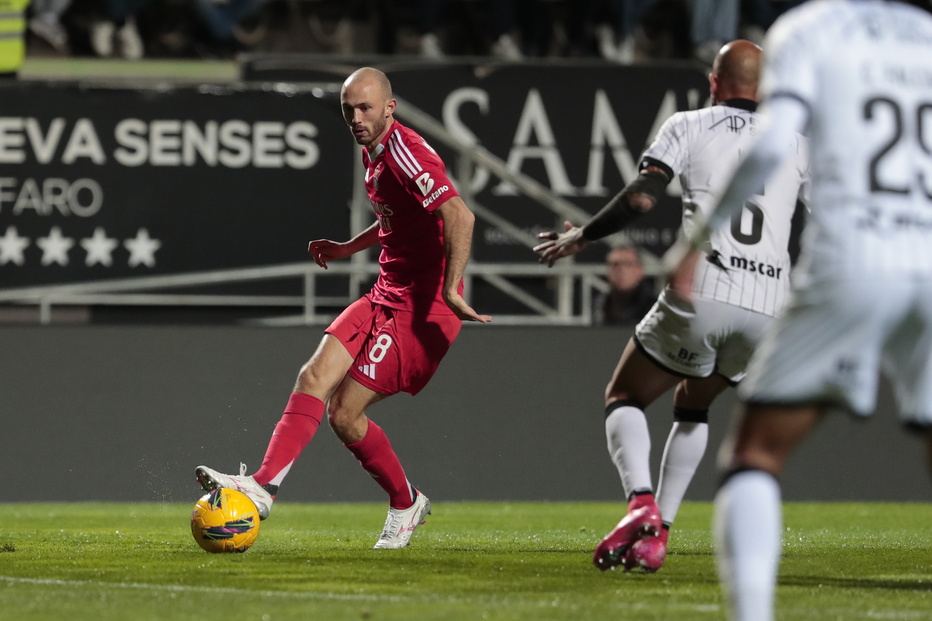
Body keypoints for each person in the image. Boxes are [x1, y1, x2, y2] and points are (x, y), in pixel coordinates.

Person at [665, 2, 932, 619]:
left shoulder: (808, 29)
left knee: (756, 453)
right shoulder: (922, 33)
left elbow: (768, 146)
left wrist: (694, 240)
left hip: (856, 251)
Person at [534, 39, 808, 572]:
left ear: (713, 81)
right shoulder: (796, 143)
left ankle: (641, 503)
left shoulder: (688, 123)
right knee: (693, 404)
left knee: (625, 395)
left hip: (703, 288)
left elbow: (640, 197)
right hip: (769, 307)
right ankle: (659, 536)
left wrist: (583, 236)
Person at [196, 67, 491, 550]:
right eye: (347, 109)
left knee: (343, 414)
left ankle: (405, 502)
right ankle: (263, 488)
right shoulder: (373, 150)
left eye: (365, 108)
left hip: (423, 310)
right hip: (385, 291)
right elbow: (399, 219)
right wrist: (347, 248)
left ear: (390, 107)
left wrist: (454, 288)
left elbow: (459, 214)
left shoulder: (404, 151)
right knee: (313, 376)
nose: (356, 118)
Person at [593, 246, 656, 325]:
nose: (621, 270)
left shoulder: (654, 308)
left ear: (640, 270)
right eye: (615, 265)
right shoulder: (600, 305)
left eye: (627, 264)